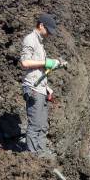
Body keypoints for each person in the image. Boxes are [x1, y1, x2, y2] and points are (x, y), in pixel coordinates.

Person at [19, 13, 66, 157]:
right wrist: (46, 62)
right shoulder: (30, 39)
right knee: (35, 125)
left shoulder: (40, 43)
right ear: (41, 26)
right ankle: (33, 158)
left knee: (43, 126)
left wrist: (47, 87)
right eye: (48, 31)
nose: (49, 35)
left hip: (41, 89)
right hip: (33, 88)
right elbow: (25, 63)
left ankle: (41, 153)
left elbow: (39, 69)